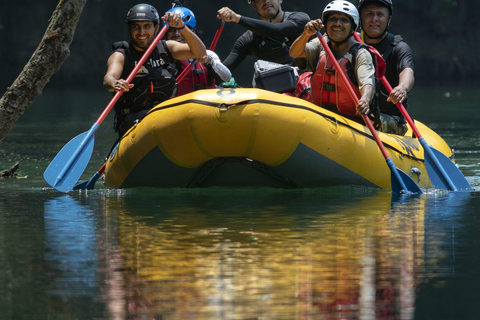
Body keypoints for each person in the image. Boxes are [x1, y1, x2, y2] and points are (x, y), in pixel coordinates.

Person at [103, 3, 206, 136]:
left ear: (156, 28)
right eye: (136, 27)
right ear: (129, 28)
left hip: (165, 117)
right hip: (134, 124)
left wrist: (182, 27)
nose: (141, 32)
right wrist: (114, 83)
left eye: (147, 26)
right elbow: (108, 79)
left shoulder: (167, 48)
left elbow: (199, 52)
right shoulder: (121, 55)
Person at [289, 1, 376, 123]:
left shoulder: (360, 53)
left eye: (344, 20)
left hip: (351, 120)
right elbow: (294, 53)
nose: (337, 24)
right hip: (320, 113)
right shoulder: (322, 43)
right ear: (326, 23)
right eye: (333, 19)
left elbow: (367, 82)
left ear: (353, 27)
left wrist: (365, 100)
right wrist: (306, 34)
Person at [358, 0, 413, 135]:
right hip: (356, 110)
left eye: (379, 15)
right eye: (369, 14)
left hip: (389, 118)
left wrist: (402, 88)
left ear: (388, 19)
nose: (374, 19)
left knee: (367, 118)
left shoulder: (399, 47)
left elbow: (407, 71)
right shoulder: (351, 43)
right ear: (360, 17)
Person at [216, 0, 310, 79]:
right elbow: (221, 74)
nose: (266, 1)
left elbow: (274, 30)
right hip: (273, 94)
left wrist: (238, 19)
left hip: (305, 91)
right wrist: (209, 61)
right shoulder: (248, 39)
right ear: (254, 4)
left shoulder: (300, 20)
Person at [165, 4, 231, 96]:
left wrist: (208, 61)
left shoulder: (207, 54)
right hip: (178, 107)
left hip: (205, 106)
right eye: (172, 30)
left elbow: (227, 77)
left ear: (192, 33)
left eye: (181, 29)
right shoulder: (162, 56)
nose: (176, 34)